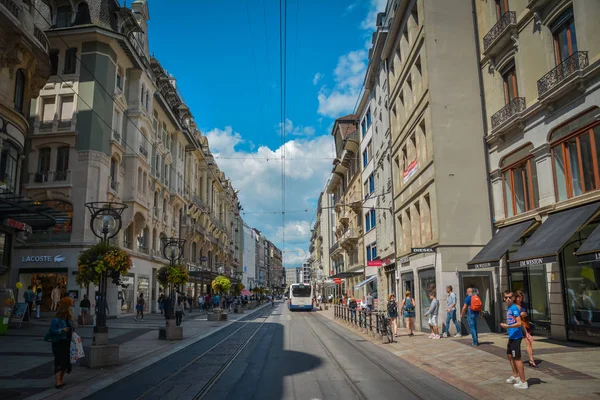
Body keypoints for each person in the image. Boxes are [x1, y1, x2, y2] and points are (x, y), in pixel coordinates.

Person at [501, 290, 528, 389]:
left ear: (513, 298)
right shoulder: (509, 308)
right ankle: (516, 376)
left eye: (509, 297)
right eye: (506, 297)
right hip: (512, 336)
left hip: (516, 337)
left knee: (517, 358)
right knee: (509, 355)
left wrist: (507, 326)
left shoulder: (514, 308)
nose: (507, 299)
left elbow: (519, 322)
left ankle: (523, 382)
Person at [49, 305, 73, 388]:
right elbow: (52, 331)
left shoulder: (68, 321)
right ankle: (58, 382)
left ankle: (61, 380)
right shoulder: (56, 320)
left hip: (67, 343)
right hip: (59, 343)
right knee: (59, 361)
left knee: (65, 362)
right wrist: (61, 330)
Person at [515, 290, 537, 368]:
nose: (519, 299)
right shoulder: (513, 306)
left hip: (525, 324)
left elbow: (526, 313)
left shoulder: (524, 305)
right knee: (516, 344)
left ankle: (531, 360)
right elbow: (512, 317)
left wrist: (524, 314)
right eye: (518, 298)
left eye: (520, 298)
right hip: (517, 326)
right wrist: (519, 315)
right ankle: (516, 360)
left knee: (528, 342)